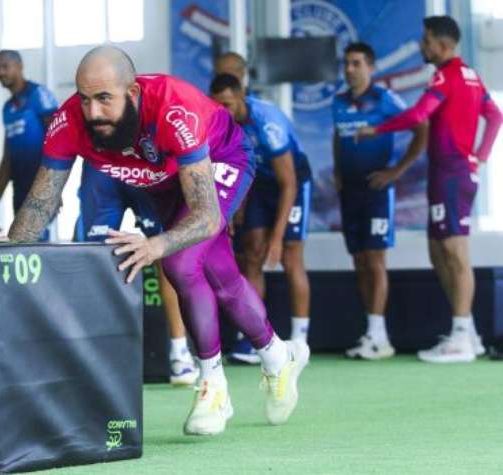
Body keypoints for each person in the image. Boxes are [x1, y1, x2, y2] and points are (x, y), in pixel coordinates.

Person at [7, 46, 310, 435]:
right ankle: (276, 355)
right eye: (84, 99)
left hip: (221, 159)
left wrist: (155, 245)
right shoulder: (69, 122)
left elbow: (205, 216)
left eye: (104, 99)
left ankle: (212, 386)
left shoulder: (173, 108)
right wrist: (7, 250)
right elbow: (42, 200)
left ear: (132, 94)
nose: (93, 112)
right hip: (165, 183)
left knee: (179, 263)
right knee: (218, 273)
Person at [357, 16, 501, 363]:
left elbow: (420, 114)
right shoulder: (470, 75)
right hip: (448, 173)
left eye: (426, 40)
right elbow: (494, 115)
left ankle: (462, 336)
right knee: (438, 250)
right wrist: (478, 157)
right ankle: (468, 334)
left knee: (453, 250)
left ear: (441, 44)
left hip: (452, 173)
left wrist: (377, 129)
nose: (423, 46)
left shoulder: (447, 75)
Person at [333, 42, 428, 360]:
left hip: (377, 191)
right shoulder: (339, 101)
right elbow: (338, 135)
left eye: (356, 63)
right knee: (359, 260)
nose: (349, 69)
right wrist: (337, 171)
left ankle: (380, 335)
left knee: (375, 260)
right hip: (350, 193)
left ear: (370, 68)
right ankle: (370, 333)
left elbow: (421, 127)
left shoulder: (385, 98)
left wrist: (397, 171)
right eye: (346, 63)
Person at [210, 73, 313, 363]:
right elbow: (229, 169)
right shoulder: (220, 124)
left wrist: (277, 239)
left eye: (229, 105)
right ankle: (256, 338)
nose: (224, 112)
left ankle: (300, 339)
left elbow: (288, 182)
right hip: (255, 185)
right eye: (218, 106)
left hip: (292, 183)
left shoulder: (267, 122)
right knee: (251, 255)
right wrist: (228, 210)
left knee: (290, 257)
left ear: (242, 95)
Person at [75, 163, 198, 386]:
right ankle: (92, 356)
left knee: (166, 252)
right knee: (92, 255)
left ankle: (180, 354)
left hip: (145, 164)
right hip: (101, 167)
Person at [0, 50, 58, 241]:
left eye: (5, 66)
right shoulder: (7, 108)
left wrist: (54, 186)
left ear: (19, 66)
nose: (1, 73)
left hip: (41, 186)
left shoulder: (39, 94)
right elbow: (7, 160)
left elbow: (58, 139)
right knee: (23, 246)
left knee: (35, 244)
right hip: (19, 191)